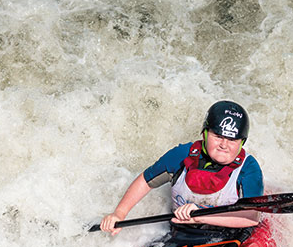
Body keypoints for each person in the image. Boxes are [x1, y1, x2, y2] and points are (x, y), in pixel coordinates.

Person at [99, 100, 263, 236]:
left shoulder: (248, 167)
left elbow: (251, 217)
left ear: (242, 142)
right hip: (182, 231)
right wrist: (119, 213)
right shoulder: (181, 156)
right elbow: (146, 181)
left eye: (232, 140)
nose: (224, 145)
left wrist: (199, 217)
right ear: (205, 134)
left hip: (230, 235)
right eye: (218, 136)